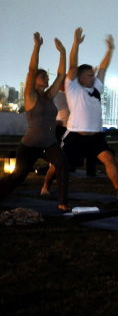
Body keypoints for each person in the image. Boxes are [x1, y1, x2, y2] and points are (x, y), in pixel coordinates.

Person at [0, 33, 69, 211]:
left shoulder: (49, 96)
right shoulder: (30, 96)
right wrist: (37, 47)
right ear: (35, 80)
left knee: (62, 164)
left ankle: (62, 202)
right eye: (43, 76)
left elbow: (61, 75)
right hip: (29, 145)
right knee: (18, 176)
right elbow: (32, 69)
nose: (47, 79)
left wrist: (63, 52)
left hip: (49, 144)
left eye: (47, 76)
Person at [61, 28, 118, 201]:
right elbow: (73, 66)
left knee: (109, 159)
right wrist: (76, 44)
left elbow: (103, 68)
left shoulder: (97, 88)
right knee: (60, 164)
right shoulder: (73, 88)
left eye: (93, 75)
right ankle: (46, 184)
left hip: (95, 136)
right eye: (89, 75)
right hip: (75, 135)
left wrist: (110, 50)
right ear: (80, 77)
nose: (93, 77)